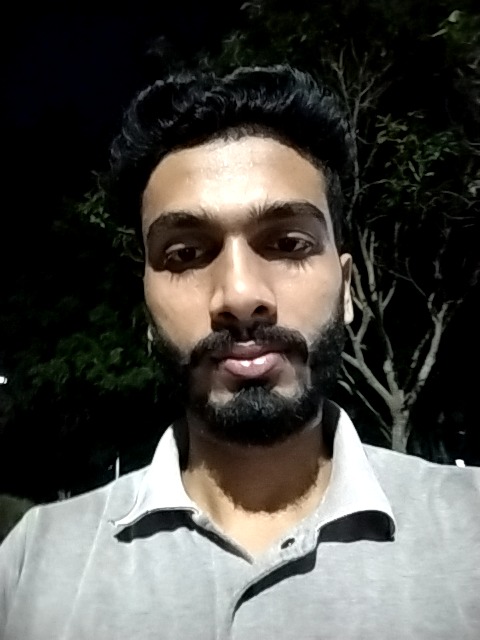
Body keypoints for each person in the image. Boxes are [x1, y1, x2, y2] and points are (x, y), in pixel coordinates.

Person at [0, 65, 479, 640]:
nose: (240, 295)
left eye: (288, 243)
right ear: (146, 309)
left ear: (348, 289)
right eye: (184, 254)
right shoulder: (31, 565)